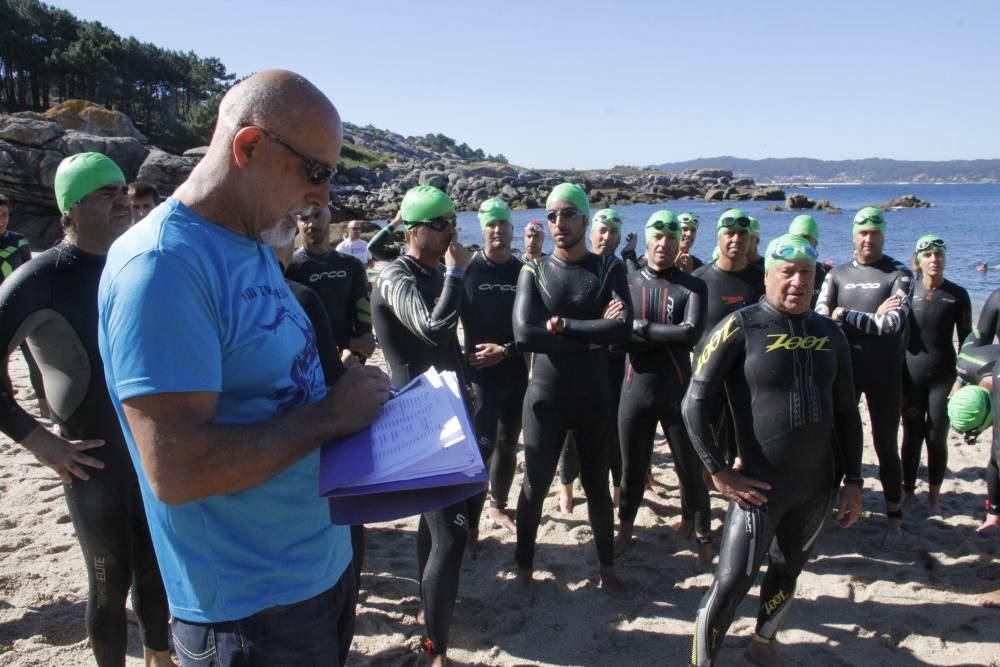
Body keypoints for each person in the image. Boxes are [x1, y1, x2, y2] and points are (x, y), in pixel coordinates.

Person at [98, 70, 391, 666]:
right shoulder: (162, 270)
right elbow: (175, 469)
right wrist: (332, 417)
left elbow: (275, 389)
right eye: (316, 173)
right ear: (249, 147)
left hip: (319, 566)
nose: (324, 200)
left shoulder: (252, 242)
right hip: (248, 611)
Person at [0, 153, 174, 667]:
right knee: (108, 580)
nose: (122, 198)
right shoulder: (42, 277)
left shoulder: (142, 262)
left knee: (156, 569)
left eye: (123, 188)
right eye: (105, 192)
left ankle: (160, 660)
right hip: (91, 460)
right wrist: (38, 440)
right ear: (69, 211)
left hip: (154, 452)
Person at [684, 234, 863, 667]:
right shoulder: (740, 326)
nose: (798, 282)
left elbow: (847, 412)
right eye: (788, 272)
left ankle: (763, 643)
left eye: (806, 273)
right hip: (759, 486)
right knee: (732, 582)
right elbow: (694, 402)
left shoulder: (830, 333)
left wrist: (854, 480)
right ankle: (701, 661)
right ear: (768, 277)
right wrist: (719, 472)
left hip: (817, 486)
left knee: (788, 570)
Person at [370, 185, 478, 664]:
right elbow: (431, 328)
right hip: (419, 419)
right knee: (451, 535)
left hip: (449, 411)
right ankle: (435, 649)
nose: (449, 230)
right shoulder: (395, 276)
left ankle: (427, 608)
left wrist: (467, 381)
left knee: (437, 526)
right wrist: (457, 273)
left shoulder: (436, 271)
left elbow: (446, 346)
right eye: (438, 224)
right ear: (413, 229)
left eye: (452, 220)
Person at [512, 182, 632, 600]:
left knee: (597, 486)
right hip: (546, 397)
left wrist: (563, 326)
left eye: (567, 214)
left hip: (594, 397)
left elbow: (623, 327)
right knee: (534, 486)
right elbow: (525, 333)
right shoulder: (535, 269)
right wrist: (591, 338)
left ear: (584, 217)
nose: (558, 223)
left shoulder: (608, 269)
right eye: (551, 215)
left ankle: (606, 566)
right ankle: (524, 566)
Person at [614, 211, 711, 567]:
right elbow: (617, 339)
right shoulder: (628, 282)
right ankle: (624, 531)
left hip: (676, 393)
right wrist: (643, 332)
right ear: (649, 240)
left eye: (672, 239)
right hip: (633, 392)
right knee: (632, 469)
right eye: (658, 238)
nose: (665, 245)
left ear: (679, 243)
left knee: (690, 470)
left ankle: (702, 537)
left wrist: (640, 327)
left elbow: (690, 334)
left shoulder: (693, 286)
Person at [816, 206, 913, 542]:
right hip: (845, 372)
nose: (868, 238)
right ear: (853, 235)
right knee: (836, 439)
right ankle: (827, 505)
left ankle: (894, 519)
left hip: (885, 374)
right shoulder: (837, 274)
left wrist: (844, 313)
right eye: (863, 232)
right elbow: (821, 318)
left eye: (874, 232)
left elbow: (892, 325)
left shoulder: (899, 274)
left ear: (883, 234)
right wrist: (863, 316)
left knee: (886, 445)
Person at [460, 197, 527, 535]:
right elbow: (442, 323)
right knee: (481, 448)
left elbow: (535, 327)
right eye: (492, 224)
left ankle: (498, 506)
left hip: (514, 372)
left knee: (508, 443)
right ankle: (470, 524)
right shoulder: (469, 270)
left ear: (512, 230)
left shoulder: (523, 272)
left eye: (503, 224)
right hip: (478, 375)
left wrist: (506, 350)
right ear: (483, 229)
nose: (497, 229)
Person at [557, 207, 629, 512]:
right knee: (570, 430)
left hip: (613, 363)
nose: (607, 237)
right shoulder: (574, 266)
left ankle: (616, 486)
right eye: (602, 230)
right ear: (590, 231)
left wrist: (598, 325)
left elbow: (622, 323)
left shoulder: (620, 268)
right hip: (576, 364)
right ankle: (566, 488)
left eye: (613, 231)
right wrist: (599, 325)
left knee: (613, 427)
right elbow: (560, 322)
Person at [901, 235, 971, 515]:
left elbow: (967, 341)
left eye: (939, 254)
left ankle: (934, 497)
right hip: (910, 377)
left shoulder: (957, 295)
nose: (934, 259)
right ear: (918, 259)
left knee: (936, 437)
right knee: (911, 435)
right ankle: (908, 492)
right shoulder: (907, 292)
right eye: (928, 255)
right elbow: (894, 333)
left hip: (944, 378)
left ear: (945, 258)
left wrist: (963, 378)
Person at [691, 209, 765, 466]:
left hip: (750, 376)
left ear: (750, 238)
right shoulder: (699, 280)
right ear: (718, 238)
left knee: (746, 442)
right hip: (706, 374)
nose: (736, 239)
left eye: (742, 233)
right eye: (729, 233)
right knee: (705, 442)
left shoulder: (763, 278)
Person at [286, 205, 376, 361]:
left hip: (351, 359)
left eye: (317, 216)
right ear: (296, 223)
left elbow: (362, 307)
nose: (311, 224)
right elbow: (290, 326)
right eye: (304, 218)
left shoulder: (351, 264)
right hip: (310, 360)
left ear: (329, 217)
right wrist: (352, 343)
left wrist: (365, 338)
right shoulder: (290, 268)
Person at [0, 192, 46, 416]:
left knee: (35, 360)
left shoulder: (18, 241)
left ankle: (46, 408)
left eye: (5, 214)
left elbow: (31, 273)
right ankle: (11, 412)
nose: (2, 219)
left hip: (23, 308)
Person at [950, 347, 1000, 535]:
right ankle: (993, 515)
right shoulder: (964, 366)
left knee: (997, 452)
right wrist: (958, 382)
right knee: (995, 454)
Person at [787, 214, 828, 307]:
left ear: (816, 242)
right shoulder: (781, 274)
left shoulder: (827, 273)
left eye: (805, 238)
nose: (801, 242)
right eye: (796, 238)